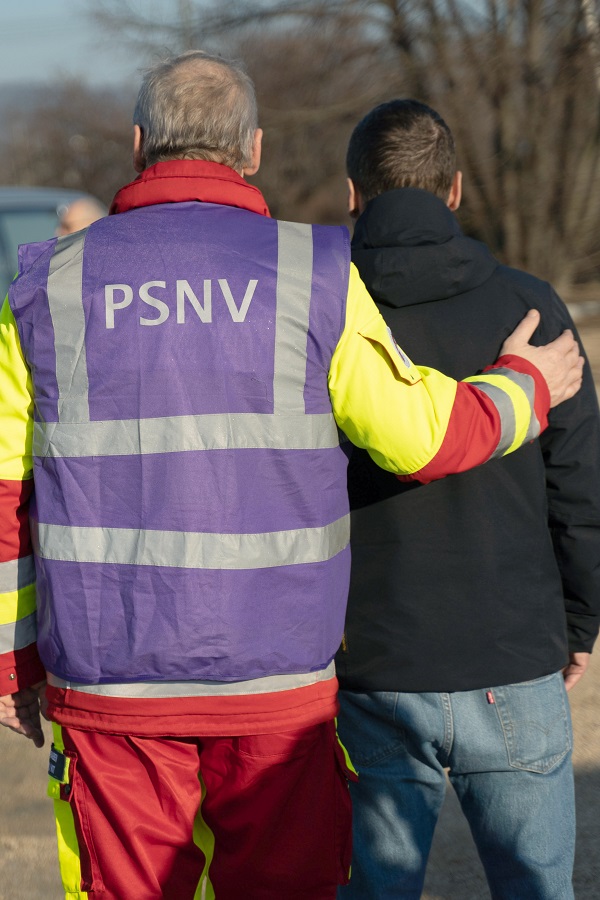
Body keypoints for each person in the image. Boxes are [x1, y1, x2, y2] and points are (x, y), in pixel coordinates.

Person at [0, 56, 582, 900]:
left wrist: (12, 666)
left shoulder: (43, 287)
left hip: (111, 688)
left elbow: (6, 497)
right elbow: (419, 437)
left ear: (136, 145)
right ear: (256, 149)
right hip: (277, 695)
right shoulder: (313, 272)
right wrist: (527, 385)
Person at [336, 99, 600, 900]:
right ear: (453, 191)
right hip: (512, 652)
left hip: (368, 661)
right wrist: (581, 622)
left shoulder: (326, 317)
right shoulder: (529, 308)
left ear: (353, 195)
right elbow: (580, 483)